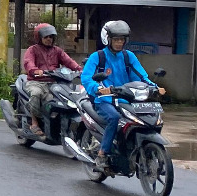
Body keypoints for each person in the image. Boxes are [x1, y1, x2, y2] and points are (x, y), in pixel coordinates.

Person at [80, 18, 163, 171]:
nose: (119, 43)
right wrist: (97, 88)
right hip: (104, 99)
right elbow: (86, 78)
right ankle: (102, 154)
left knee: (150, 115)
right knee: (114, 118)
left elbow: (142, 76)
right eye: (116, 39)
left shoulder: (128, 56)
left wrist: (155, 87)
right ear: (108, 39)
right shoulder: (97, 57)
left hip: (126, 98)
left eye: (122, 39)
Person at [21, 22, 80, 138]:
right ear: (39, 38)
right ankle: (34, 122)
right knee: (36, 93)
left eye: (51, 37)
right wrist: (35, 70)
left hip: (54, 83)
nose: (49, 39)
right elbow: (28, 63)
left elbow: (69, 61)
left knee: (64, 99)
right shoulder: (32, 50)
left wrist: (79, 70)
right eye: (46, 37)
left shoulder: (57, 51)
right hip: (36, 82)